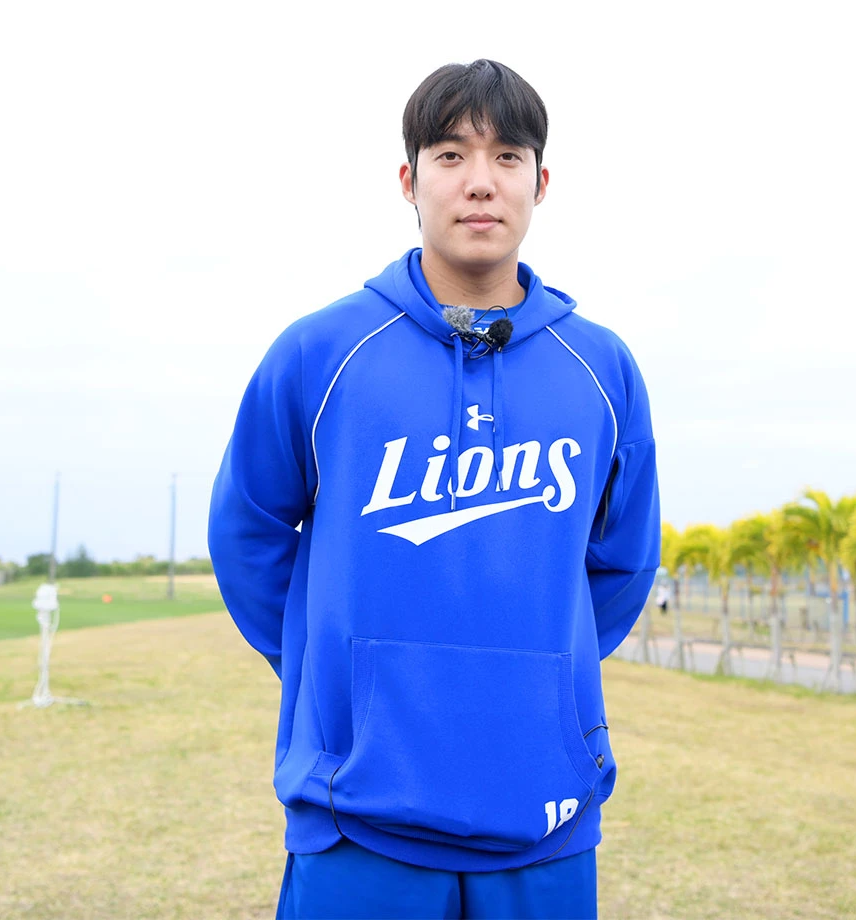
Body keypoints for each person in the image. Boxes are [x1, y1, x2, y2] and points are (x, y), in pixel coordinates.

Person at [208, 59, 660, 919]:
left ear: (541, 183)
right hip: (356, 820)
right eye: (451, 156)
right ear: (409, 181)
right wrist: (338, 680)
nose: (480, 182)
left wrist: (537, 683)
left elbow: (624, 564)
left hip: (544, 818)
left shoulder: (601, 369)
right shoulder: (319, 353)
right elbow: (247, 536)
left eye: (508, 156)